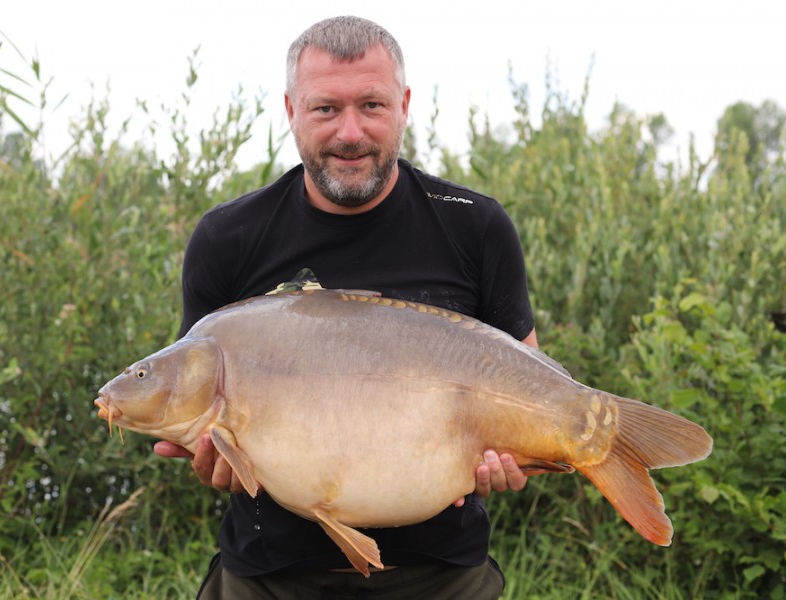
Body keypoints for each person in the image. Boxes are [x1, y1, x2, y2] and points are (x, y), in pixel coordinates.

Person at [154, 15, 538, 600]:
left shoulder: (474, 225)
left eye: (373, 106)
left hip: (443, 576)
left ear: (405, 105)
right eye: (326, 109)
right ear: (291, 110)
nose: (350, 132)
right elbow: (198, 402)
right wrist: (214, 459)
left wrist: (525, 455)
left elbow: (529, 383)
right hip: (268, 577)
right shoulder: (229, 237)